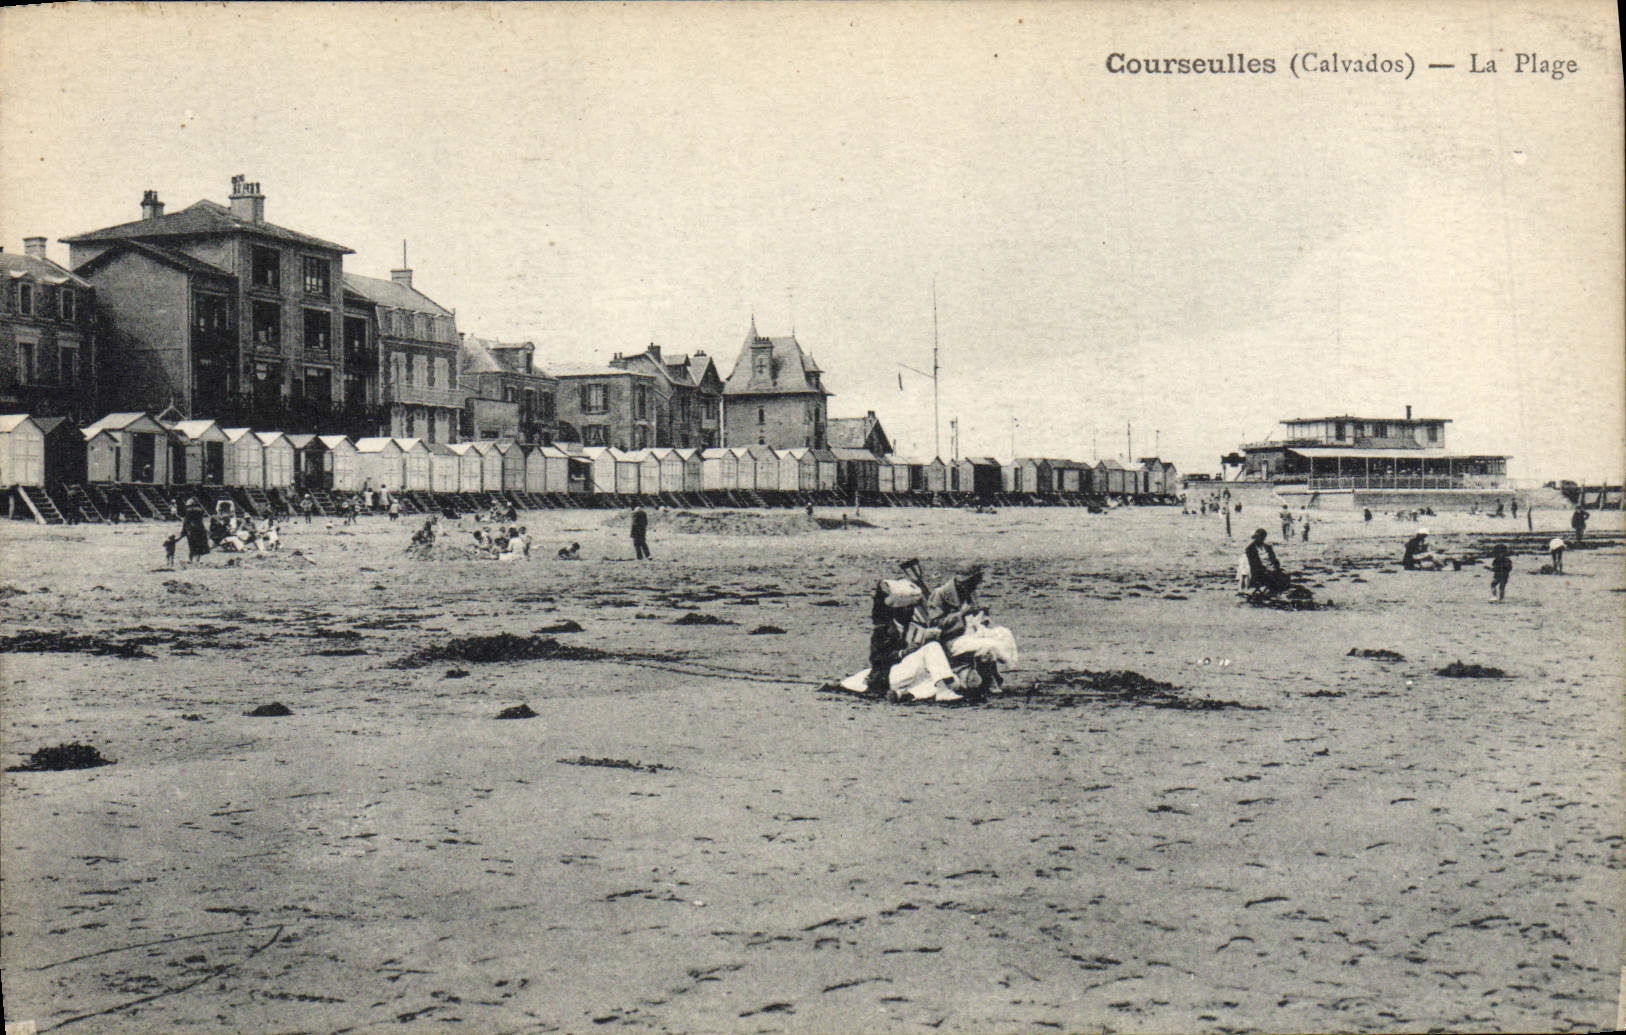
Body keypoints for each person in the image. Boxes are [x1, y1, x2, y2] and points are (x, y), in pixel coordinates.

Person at [841, 572, 961, 703]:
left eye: (912, 608)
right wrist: (902, 653)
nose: (910, 611)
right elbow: (877, 659)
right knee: (933, 648)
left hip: (906, 675)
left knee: (952, 679)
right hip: (889, 675)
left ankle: (907, 694)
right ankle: (941, 692)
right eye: (906, 608)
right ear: (896, 610)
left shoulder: (912, 627)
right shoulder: (883, 630)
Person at [925, 564, 1016, 696]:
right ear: (962, 582)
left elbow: (974, 614)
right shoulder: (940, 594)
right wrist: (960, 614)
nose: (974, 586)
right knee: (986, 646)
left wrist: (981, 616)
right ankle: (988, 679)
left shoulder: (969, 592)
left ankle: (994, 672)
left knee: (1004, 634)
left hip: (971, 632)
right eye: (972, 582)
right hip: (952, 639)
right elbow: (936, 624)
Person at [1243, 528, 1294, 596]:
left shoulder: (1267, 547)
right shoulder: (1250, 549)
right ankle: (1273, 593)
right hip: (1259, 571)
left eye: (1263, 537)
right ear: (1256, 537)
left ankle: (1278, 593)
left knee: (1285, 575)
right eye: (1260, 537)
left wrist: (1276, 567)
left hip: (1271, 568)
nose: (1261, 539)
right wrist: (1267, 569)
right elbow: (1254, 564)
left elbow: (1274, 560)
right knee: (1273, 577)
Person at [180, 497, 210, 567]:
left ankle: (190, 559)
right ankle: (197, 560)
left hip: (191, 529)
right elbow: (200, 520)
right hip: (200, 528)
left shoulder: (187, 510)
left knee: (191, 545)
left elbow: (186, 521)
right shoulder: (200, 509)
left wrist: (183, 531)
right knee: (199, 545)